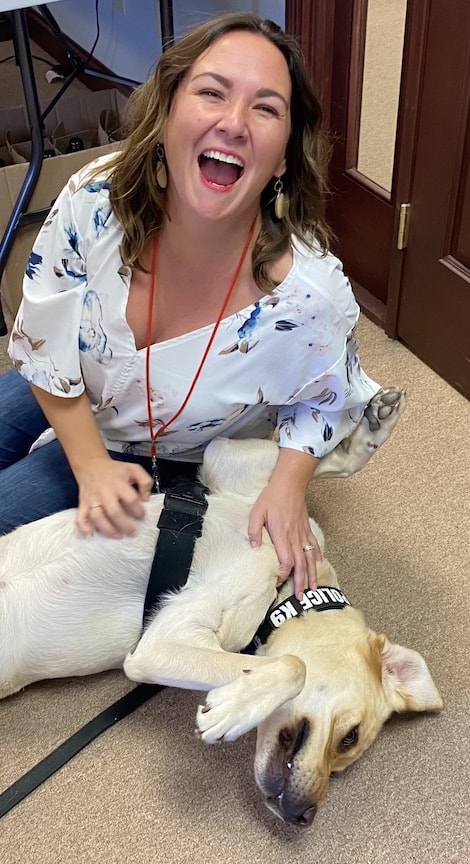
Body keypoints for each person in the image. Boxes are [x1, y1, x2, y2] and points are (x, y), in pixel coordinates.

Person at [1, 12, 381, 600]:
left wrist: (288, 484)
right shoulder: (93, 199)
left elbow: (327, 399)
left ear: (283, 157)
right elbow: (44, 350)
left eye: (266, 107)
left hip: (153, 450)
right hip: (69, 380)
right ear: (167, 113)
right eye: (211, 92)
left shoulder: (310, 298)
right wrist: (86, 463)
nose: (233, 123)